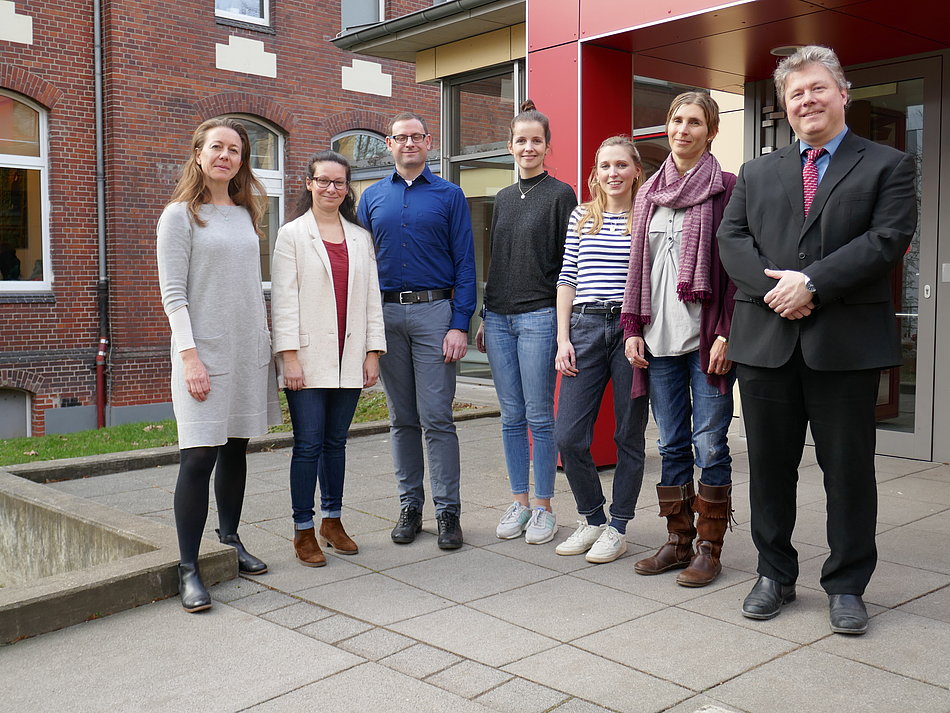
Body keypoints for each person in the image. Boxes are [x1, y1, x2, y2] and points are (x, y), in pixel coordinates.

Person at [717, 45, 916, 634]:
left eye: (818, 88)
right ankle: (773, 574)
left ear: (843, 93)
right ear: (784, 105)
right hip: (766, 345)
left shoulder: (888, 164)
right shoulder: (757, 172)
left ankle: (848, 584)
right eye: (795, 93)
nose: (807, 100)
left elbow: (888, 240)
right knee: (770, 470)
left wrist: (813, 283)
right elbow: (733, 241)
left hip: (844, 347)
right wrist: (779, 291)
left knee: (848, 472)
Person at [157, 118, 278, 613]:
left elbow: (251, 288)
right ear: (199, 154)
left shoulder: (249, 213)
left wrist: (265, 344)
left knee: (235, 449)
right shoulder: (180, 216)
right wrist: (190, 357)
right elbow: (173, 295)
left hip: (247, 350)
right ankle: (189, 567)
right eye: (217, 148)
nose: (226, 155)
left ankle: (229, 540)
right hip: (203, 353)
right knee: (198, 457)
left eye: (235, 149)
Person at [622, 92, 737, 587]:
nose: (683, 129)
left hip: (705, 338)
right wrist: (632, 328)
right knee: (670, 443)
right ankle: (678, 541)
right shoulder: (648, 193)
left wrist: (728, 332)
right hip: (657, 338)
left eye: (694, 122)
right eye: (676, 120)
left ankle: (710, 548)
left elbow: (735, 273)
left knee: (709, 444)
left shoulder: (727, 189)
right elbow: (637, 270)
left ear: (711, 132)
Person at [356, 112, 476, 550]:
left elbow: (465, 262)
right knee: (400, 419)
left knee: (438, 418)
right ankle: (410, 507)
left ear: (429, 142)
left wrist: (460, 323)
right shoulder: (370, 199)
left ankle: (448, 511)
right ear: (388, 144)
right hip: (386, 318)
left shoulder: (450, 195)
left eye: (416, 137)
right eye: (400, 137)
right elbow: (363, 268)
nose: (408, 143)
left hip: (434, 314)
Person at [271, 151, 386, 567]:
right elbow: (283, 302)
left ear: (347, 188)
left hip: (350, 357)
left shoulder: (360, 237)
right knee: (307, 445)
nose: (331, 189)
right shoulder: (292, 235)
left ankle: (332, 521)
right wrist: (289, 359)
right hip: (307, 357)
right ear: (309, 183)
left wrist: (373, 353)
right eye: (323, 181)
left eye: (339, 183)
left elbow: (373, 299)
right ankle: (303, 529)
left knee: (336, 443)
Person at [474, 100, 577, 545]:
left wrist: (561, 329)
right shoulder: (500, 198)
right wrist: (484, 315)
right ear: (510, 146)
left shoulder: (561, 195)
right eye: (521, 140)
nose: (528, 147)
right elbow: (499, 261)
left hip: (537, 316)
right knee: (511, 415)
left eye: (536, 140)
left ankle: (544, 506)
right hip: (497, 317)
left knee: (539, 414)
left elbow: (565, 266)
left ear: (547, 146)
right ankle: (518, 501)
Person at [553, 136, 650, 564]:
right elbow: (567, 279)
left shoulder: (646, 217)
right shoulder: (581, 216)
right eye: (605, 165)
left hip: (630, 331)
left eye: (621, 165)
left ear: (635, 172)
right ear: (596, 172)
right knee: (569, 436)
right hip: (586, 327)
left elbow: (651, 281)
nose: (613, 173)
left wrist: (643, 331)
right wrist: (562, 339)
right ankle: (592, 518)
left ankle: (619, 526)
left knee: (628, 434)